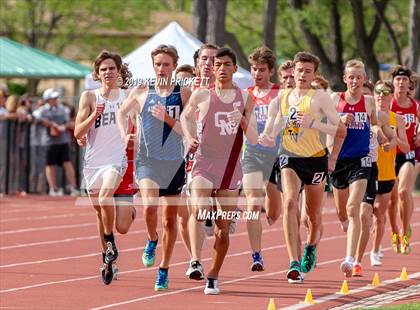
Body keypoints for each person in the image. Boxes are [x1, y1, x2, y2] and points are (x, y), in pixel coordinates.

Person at [261, 51, 346, 283]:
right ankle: (293, 262)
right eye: (299, 70)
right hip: (289, 157)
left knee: (313, 216)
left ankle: (310, 246)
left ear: (313, 74)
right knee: (289, 202)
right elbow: (273, 128)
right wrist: (267, 136)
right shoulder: (281, 99)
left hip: (316, 159)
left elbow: (340, 130)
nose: (302, 75)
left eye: (308, 71)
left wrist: (313, 123)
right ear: (293, 71)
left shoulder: (319, 98)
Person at [181, 47, 258, 294]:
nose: (222, 68)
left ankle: (213, 275)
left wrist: (243, 121)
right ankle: (195, 260)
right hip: (204, 161)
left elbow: (254, 138)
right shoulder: (202, 95)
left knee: (223, 230)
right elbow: (185, 118)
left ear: (235, 68)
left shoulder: (245, 98)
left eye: (227, 64)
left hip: (230, 166)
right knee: (199, 205)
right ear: (212, 69)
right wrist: (189, 137)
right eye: (218, 64)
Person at [117, 44, 191, 291]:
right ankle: (151, 239)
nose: (162, 68)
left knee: (170, 220)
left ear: (174, 65)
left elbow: (186, 131)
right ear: (153, 66)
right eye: (158, 64)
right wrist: (124, 133)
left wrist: (169, 119)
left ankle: (164, 268)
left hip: (174, 162)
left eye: (166, 64)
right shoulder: (142, 89)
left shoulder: (183, 93)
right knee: (149, 207)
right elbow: (121, 113)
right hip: (147, 160)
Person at [74, 50, 136, 285]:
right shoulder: (89, 97)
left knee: (106, 196)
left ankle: (110, 241)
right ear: (97, 74)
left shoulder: (127, 96)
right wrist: (93, 117)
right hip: (93, 163)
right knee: (100, 212)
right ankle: (108, 259)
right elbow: (78, 133)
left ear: (119, 71)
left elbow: (140, 122)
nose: (108, 72)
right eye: (103, 69)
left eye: (112, 68)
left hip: (116, 161)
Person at [330, 59, 381, 277]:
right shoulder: (336, 98)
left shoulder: (369, 102)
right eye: (351, 77)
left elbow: (376, 122)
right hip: (339, 159)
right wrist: (339, 119)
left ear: (364, 80)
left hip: (362, 159)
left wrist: (378, 131)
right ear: (345, 79)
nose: (354, 81)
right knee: (342, 212)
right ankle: (345, 223)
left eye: (358, 77)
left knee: (354, 209)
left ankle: (350, 259)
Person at [243, 46, 281, 272]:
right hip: (252, 154)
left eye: (262, 70)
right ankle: (256, 255)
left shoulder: (279, 93)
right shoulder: (247, 94)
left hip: (274, 156)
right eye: (254, 69)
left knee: (274, 213)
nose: (257, 74)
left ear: (271, 71)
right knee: (253, 203)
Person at [185, 43, 219, 281]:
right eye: (204, 59)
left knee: (221, 222)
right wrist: (189, 137)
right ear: (197, 64)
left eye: (213, 60)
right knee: (195, 209)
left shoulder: (228, 90)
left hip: (223, 159)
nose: (208, 63)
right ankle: (195, 260)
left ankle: (214, 215)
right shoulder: (186, 88)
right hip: (195, 157)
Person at [370, 80, 409, 266]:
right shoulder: (369, 115)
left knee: (380, 213)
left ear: (390, 97)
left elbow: (406, 146)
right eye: (378, 93)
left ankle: (375, 250)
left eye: (385, 94)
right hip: (366, 170)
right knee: (364, 212)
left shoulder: (397, 119)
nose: (380, 97)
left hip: (386, 173)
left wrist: (394, 142)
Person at [388, 66, 419, 254]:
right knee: (392, 199)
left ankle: (405, 230)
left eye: (404, 81)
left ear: (409, 84)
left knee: (403, 191)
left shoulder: (415, 105)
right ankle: (394, 232)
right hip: (390, 154)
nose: (401, 83)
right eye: (398, 80)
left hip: (408, 154)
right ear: (393, 83)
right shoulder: (389, 104)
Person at [40, 89, 79, 196]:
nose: (55, 100)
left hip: (63, 140)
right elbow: (41, 121)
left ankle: (73, 187)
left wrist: (63, 127)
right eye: (53, 98)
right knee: (50, 164)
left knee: (67, 163)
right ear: (47, 99)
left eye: (55, 98)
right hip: (49, 142)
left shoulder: (62, 109)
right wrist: (53, 125)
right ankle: (53, 188)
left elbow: (67, 122)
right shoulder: (43, 110)